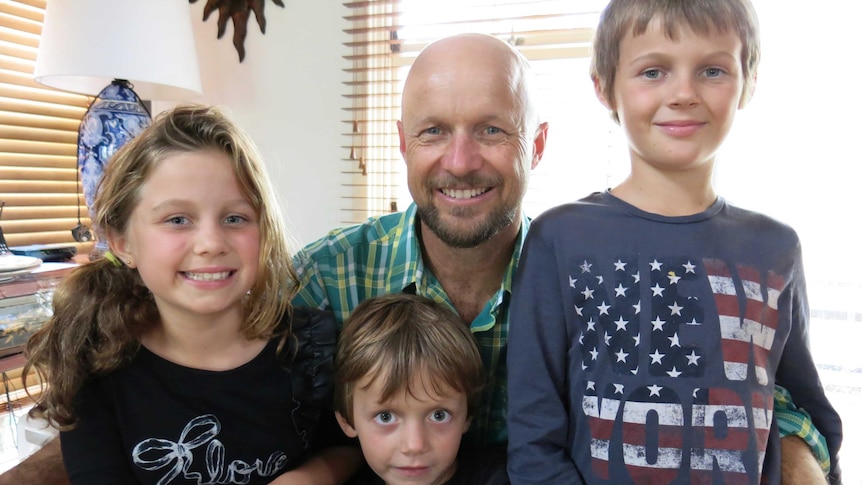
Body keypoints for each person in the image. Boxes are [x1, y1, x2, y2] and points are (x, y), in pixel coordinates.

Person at [1, 31, 827, 485]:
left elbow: (752, 397)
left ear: (535, 143)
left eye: (492, 130)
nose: (461, 160)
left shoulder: (594, 268)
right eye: (435, 131)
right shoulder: (327, 278)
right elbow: (173, 366)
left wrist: (793, 465)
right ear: (402, 144)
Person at [505, 1, 843, 484]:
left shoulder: (777, 247)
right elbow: (534, 437)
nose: (683, 93)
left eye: (712, 70)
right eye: (653, 71)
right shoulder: (560, 238)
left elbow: (807, 413)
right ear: (604, 87)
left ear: (747, 83)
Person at [20, 105, 356, 484]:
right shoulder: (97, 366)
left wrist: (311, 477)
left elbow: (349, 448)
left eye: (235, 218)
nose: (211, 243)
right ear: (122, 242)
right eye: (178, 220)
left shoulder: (311, 347)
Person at [333, 293, 509, 484]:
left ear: (468, 416)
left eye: (439, 415)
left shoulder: (503, 477)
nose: (414, 445)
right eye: (386, 417)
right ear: (347, 420)